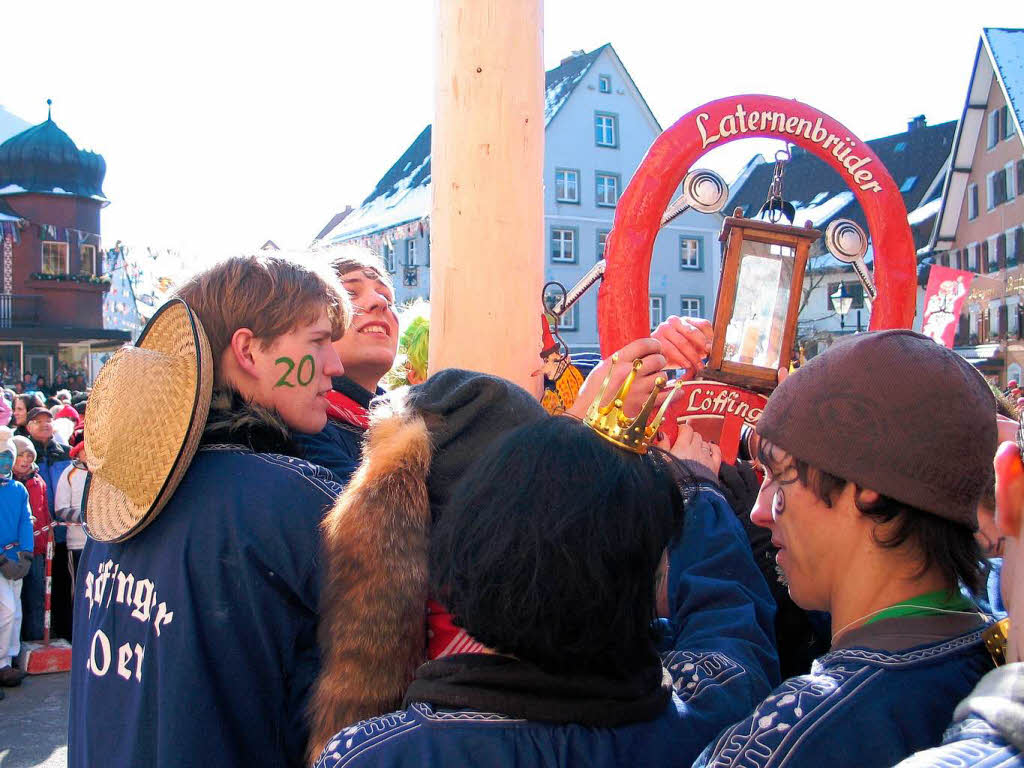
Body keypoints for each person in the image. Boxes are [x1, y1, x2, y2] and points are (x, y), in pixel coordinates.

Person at [312, 382, 778, 768]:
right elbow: (730, 624)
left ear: (463, 555)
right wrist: (699, 494)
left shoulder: (376, 755)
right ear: (647, 577)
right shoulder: (713, 720)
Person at [69, 253, 349, 768]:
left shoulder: (126, 504)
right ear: (247, 350)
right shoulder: (298, 501)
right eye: (317, 341)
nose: (335, 365)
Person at [695, 330, 998, 768]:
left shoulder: (788, 742)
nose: (760, 511)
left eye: (780, 475)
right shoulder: (998, 660)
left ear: (868, 490)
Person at [25, 405, 73, 638]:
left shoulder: (66, 453)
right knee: (35, 590)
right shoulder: (25, 456)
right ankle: (33, 636)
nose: (45, 424)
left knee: (63, 586)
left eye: (48, 420)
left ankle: (64, 633)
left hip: (64, 533)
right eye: (38, 421)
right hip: (35, 536)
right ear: (28, 426)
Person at [0, 427, 32, 690]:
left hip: (16, 556)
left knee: (16, 612)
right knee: (6, 611)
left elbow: (25, 521)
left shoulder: (19, 488)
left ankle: (7, 661)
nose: (6, 461)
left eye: (8, 456)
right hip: (1, 559)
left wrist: (26, 555)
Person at [12, 436, 50, 642]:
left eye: (29, 455)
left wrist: (43, 544)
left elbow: (44, 515)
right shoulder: (7, 483)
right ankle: (12, 648)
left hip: (36, 550)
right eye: (20, 455)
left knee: (35, 599)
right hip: (11, 552)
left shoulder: (38, 482)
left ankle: (33, 643)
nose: (25, 460)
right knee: (11, 603)